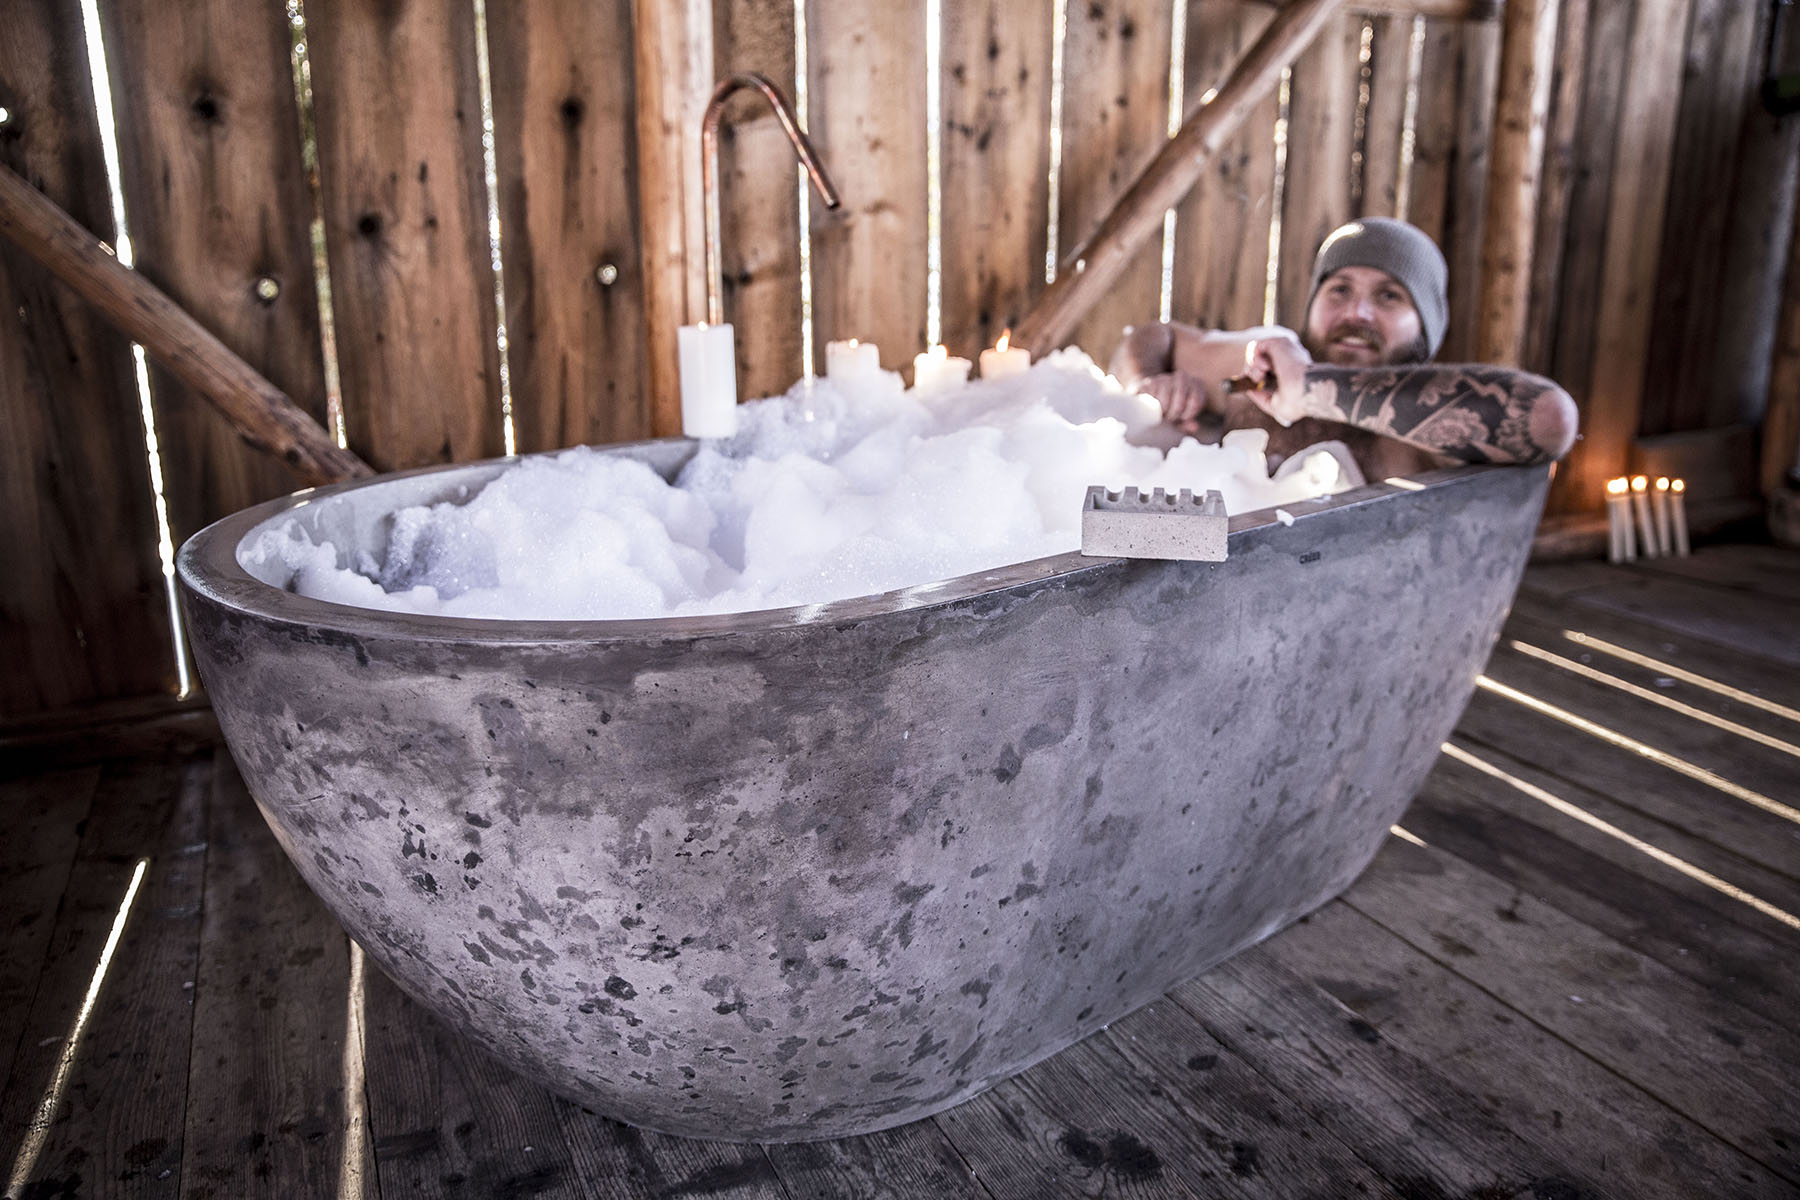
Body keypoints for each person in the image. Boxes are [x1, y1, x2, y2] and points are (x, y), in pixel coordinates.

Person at [1110, 217, 1578, 475]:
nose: (1357, 313)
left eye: (1389, 296)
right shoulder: (1258, 371)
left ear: (1425, 329)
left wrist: (1311, 389)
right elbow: (1151, 336)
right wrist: (1148, 384)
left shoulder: (1417, 433)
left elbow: (1547, 419)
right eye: (1340, 290)